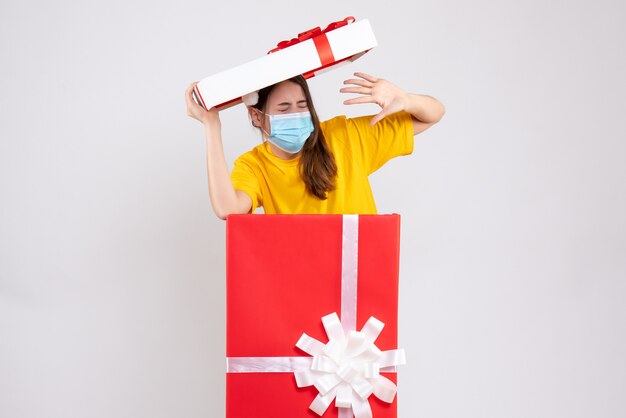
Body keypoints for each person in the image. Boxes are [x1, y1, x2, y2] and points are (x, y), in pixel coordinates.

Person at [185, 72, 445, 219]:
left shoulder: (345, 136)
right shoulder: (253, 166)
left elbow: (434, 114)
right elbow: (228, 209)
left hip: (360, 276)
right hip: (303, 284)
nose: (297, 115)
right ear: (256, 116)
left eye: (302, 106)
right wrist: (211, 125)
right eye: (284, 108)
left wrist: (406, 99)